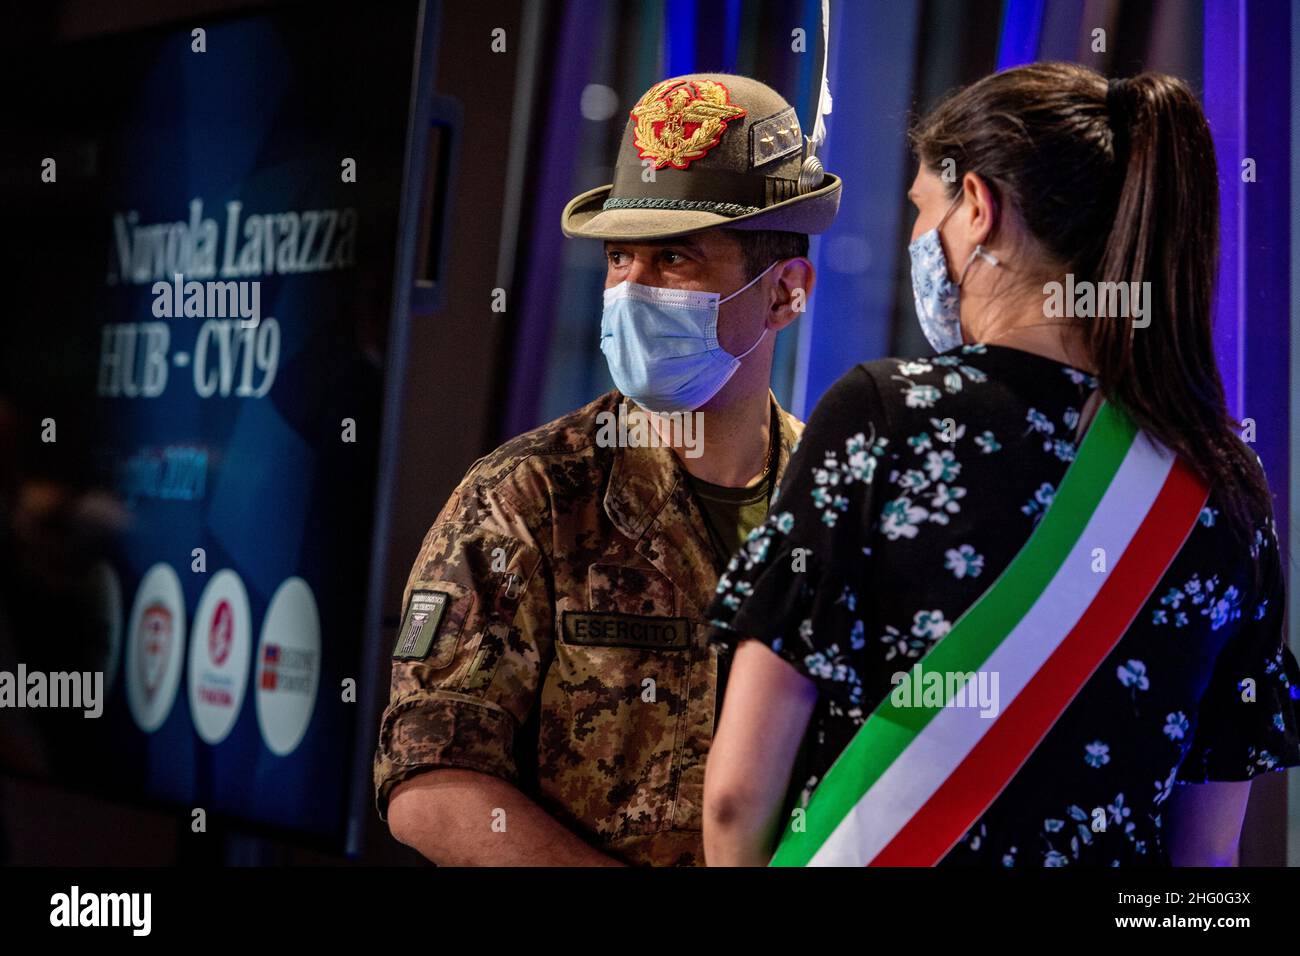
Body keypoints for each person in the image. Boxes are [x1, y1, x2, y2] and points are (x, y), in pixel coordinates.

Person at [702, 61, 1300, 867]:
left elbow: (738, 798)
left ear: (977, 207)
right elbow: (1206, 864)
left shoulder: (885, 414)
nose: (918, 241)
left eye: (923, 211)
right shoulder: (1224, 487)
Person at [374, 73, 842, 865]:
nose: (631, 290)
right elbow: (429, 777)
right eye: (620, 257)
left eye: (675, 259)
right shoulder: (531, 495)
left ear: (786, 294)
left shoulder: (835, 498)